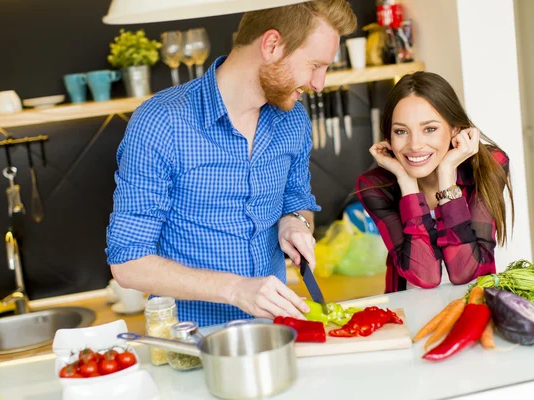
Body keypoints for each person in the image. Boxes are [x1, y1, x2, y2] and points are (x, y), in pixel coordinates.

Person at [106, 1, 357, 326]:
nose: (319, 83)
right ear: (271, 45)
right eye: (314, 65)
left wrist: (295, 223)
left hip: (274, 335)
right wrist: (237, 289)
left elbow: (297, 201)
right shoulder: (162, 122)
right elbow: (128, 263)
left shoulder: (292, 119)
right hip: (193, 345)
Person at [356, 71, 514, 293]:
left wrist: (447, 176)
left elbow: (465, 271)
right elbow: (425, 275)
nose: (415, 145)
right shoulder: (375, 186)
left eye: (429, 129)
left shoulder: (489, 165)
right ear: (389, 138)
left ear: (454, 130)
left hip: (475, 309)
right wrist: (407, 183)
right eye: (401, 131)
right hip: (409, 312)